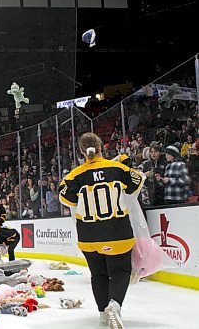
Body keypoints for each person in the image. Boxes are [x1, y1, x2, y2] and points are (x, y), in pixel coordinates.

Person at [58, 132, 144, 329]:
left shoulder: (74, 175)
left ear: (81, 151)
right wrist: (127, 166)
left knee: (98, 274)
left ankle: (103, 316)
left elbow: (66, 198)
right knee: (121, 271)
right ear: (101, 148)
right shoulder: (117, 168)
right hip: (117, 232)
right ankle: (114, 305)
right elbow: (137, 181)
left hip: (89, 236)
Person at [138, 142, 167, 207]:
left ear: (159, 152)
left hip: (162, 195)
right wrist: (144, 174)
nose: (153, 153)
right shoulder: (145, 164)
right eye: (151, 152)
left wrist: (161, 179)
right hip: (148, 195)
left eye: (156, 151)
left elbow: (167, 179)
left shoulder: (165, 163)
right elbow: (136, 174)